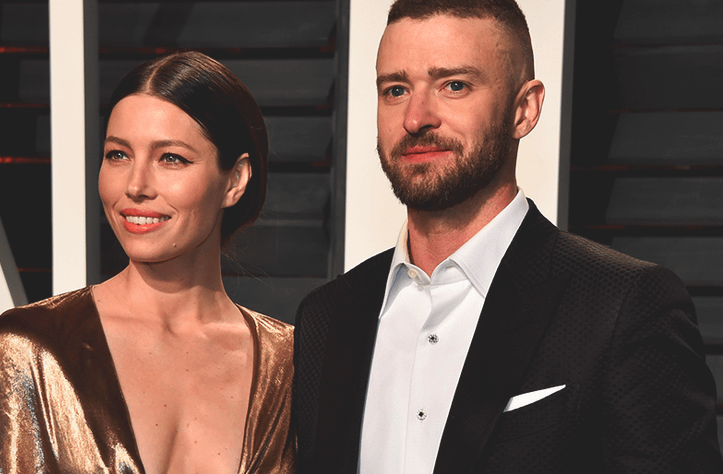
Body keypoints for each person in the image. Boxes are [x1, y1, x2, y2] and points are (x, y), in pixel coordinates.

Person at [292, 0, 723, 473]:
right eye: (396, 90)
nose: (416, 118)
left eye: (454, 85)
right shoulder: (325, 318)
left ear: (524, 109)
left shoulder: (625, 306)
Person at [0, 51, 295, 474]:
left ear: (235, 180)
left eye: (171, 158)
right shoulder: (33, 349)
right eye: (118, 154)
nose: (135, 185)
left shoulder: (292, 365)